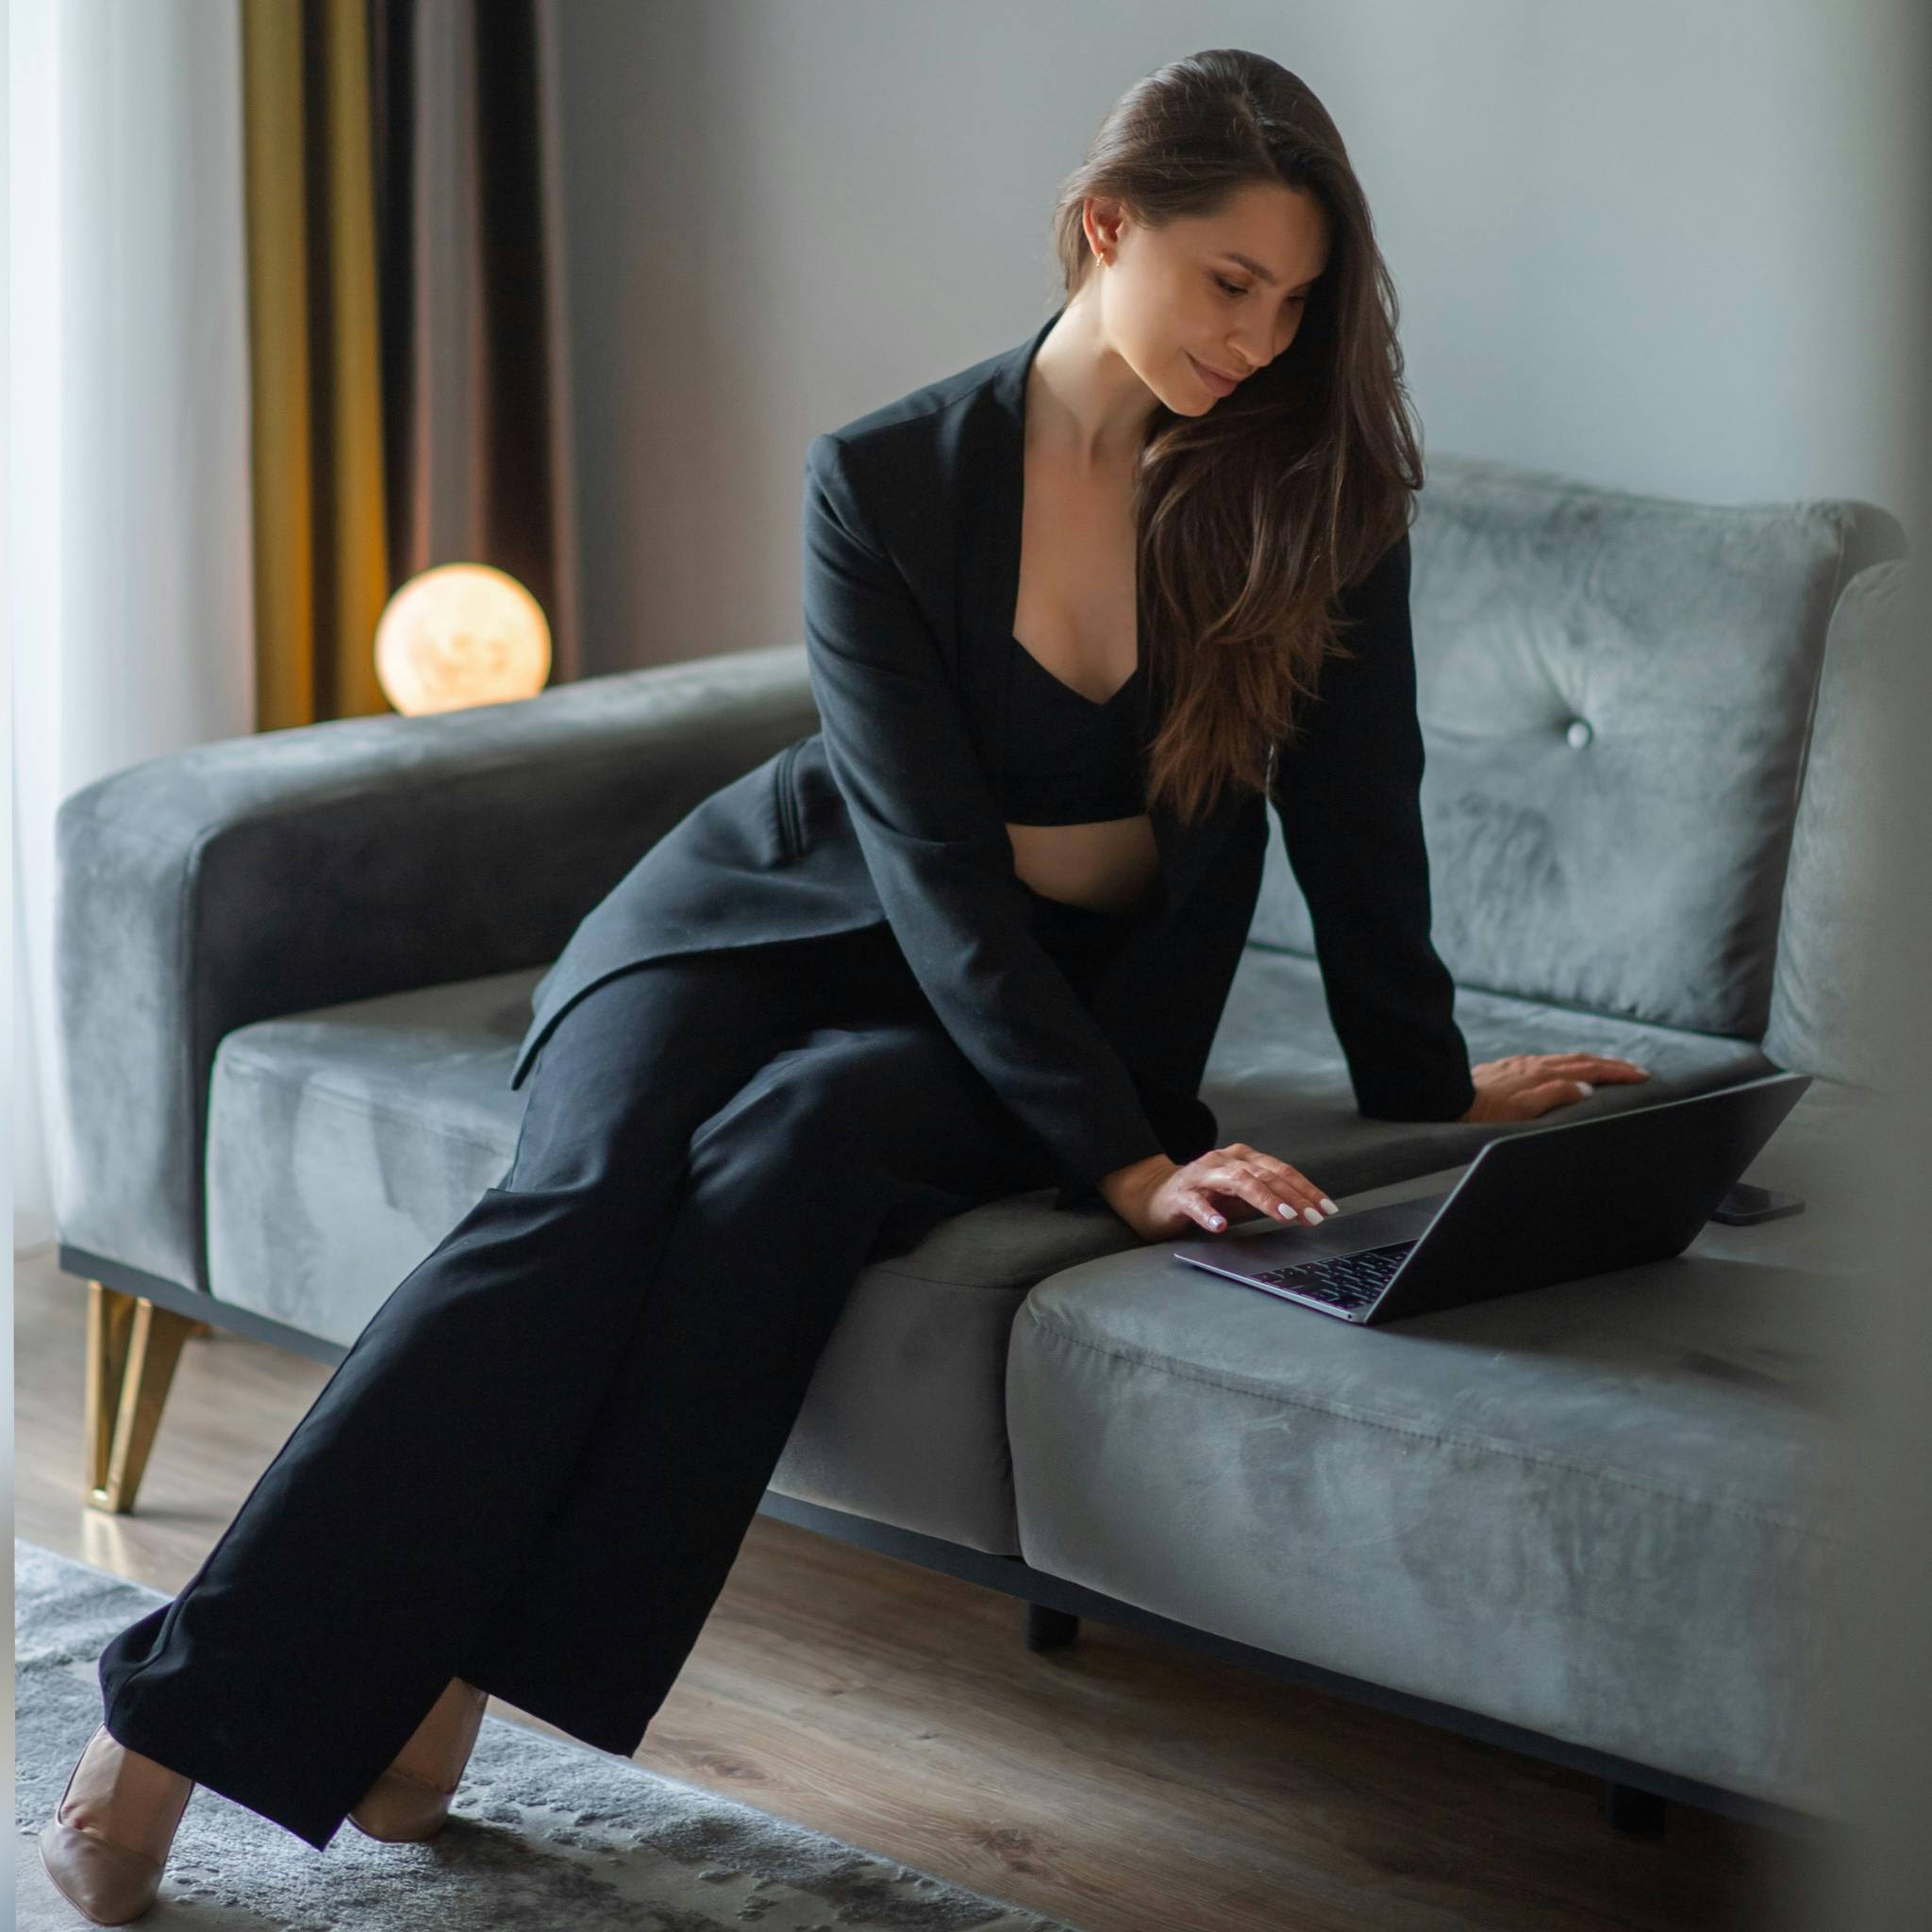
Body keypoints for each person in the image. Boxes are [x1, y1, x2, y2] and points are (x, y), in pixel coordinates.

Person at [37, 45, 1649, 1924]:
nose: (1263, 339)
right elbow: (932, 867)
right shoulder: (884, 481)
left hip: (1039, 1004)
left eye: (1297, 303)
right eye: (1230, 283)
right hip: (753, 926)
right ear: (1102, 225)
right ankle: (156, 1728)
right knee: (582, 1196)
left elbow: (1364, 817)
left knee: (783, 1166)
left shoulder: (1313, 495)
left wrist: (1421, 1079)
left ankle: (455, 1663)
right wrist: (1129, 1169)